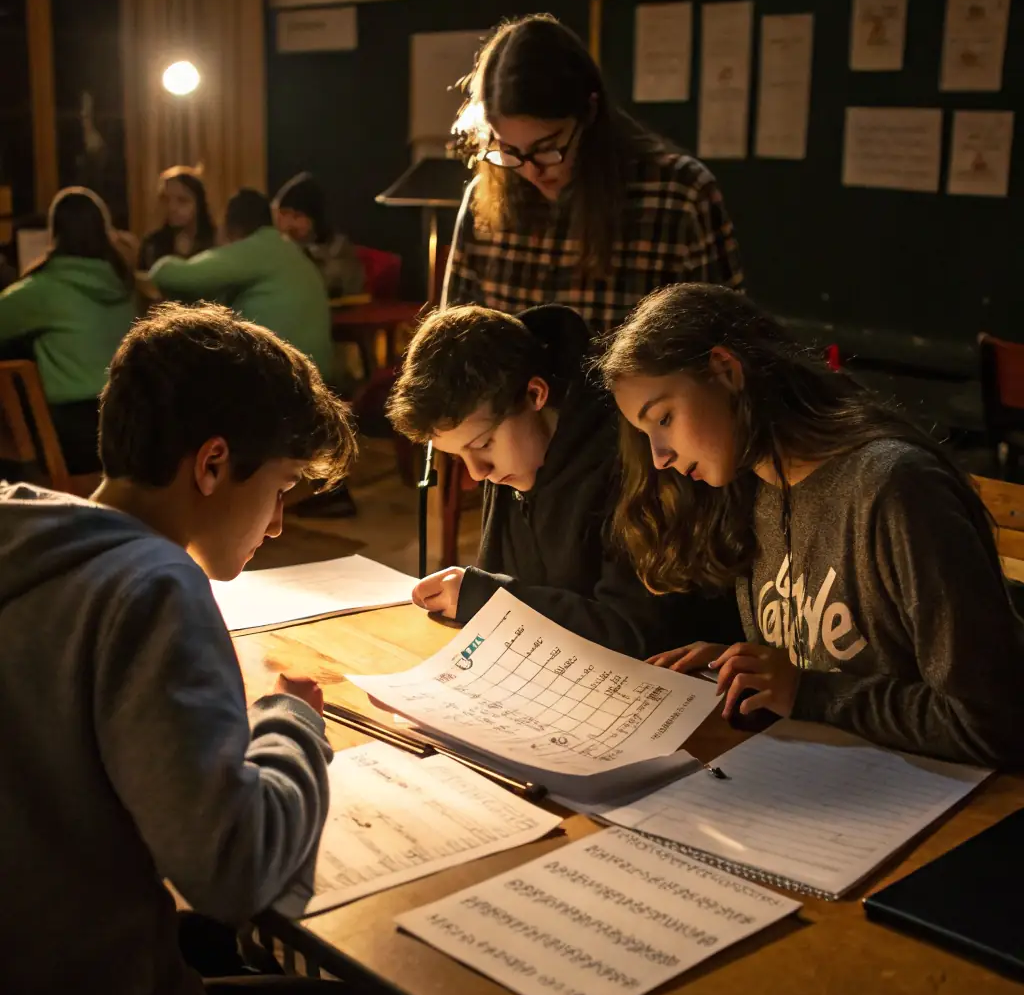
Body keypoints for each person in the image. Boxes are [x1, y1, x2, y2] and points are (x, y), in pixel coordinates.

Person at [0, 303, 451, 995]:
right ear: (212, 464)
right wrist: (290, 720)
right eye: (280, 488)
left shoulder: (25, 536)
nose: (278, 522)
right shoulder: (151, 585)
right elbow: (235, 868)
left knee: (216, 948)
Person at [598, 282, 1024, 768]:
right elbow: (814, 673)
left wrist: (806, 691)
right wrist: (751, 674)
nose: (659, 458)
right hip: (832, 782)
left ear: (724, 370)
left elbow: (991, 723)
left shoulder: (894, 488)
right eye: (646, 433)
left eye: (665, 418)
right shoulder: (754, 490)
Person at [387, 301, 741, 656]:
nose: (478, 472)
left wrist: (490, 599)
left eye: (483, 445)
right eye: (457, 456)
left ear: (535, 394)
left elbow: (636, 636)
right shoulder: (514, 462)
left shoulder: (636, 455)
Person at [445, 13, 743, 335]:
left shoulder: (680, 196)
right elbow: (454, 349)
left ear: (590, 112)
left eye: (547, 147)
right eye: (510, 150)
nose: (531, 170)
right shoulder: (484, 197)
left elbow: (729, 345)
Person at [0, 187, 135, 473]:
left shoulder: (44, 290)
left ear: (55, 233)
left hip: (73, 438)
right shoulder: (123, 283)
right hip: (128, 427)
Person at [149, 187, 334, 380]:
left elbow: (172, 275)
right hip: (316, 380)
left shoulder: (258, 248)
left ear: (232, 228)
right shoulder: (290, 252)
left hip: (277, 381)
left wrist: (161, 264)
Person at [273, 170, 366, 303]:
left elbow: (330, 285)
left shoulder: (338, 249)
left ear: (315, 219)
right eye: (284, 214)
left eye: (297, 216)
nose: (289, 224)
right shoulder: (278, 246)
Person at [139, 165, 217, 271]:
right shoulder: (152, 245)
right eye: (165, 200)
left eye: (182, 200)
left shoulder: (216, 242)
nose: (172, 208)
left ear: (199, 204)